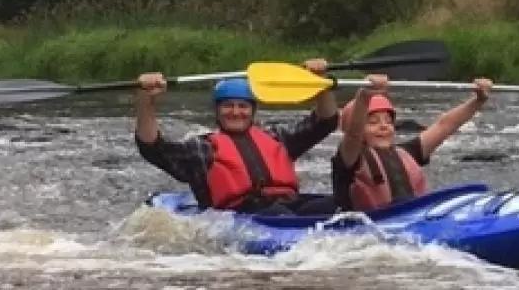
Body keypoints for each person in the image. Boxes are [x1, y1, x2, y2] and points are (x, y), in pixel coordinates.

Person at [136, 59, 339, 216]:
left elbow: (325, 121)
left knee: (336, 204)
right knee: (279, 214)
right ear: (217, 111)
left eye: (243, 106)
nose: (235, 112)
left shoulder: (276, 137)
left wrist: (320, 80)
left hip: (286, 205)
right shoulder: (202, 149)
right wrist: (147, 101)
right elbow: (152, 146)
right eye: (227, 105)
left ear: (252, 111)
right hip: (241, 215)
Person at [333, 73, 493, 212]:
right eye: (373, 122)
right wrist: (364, 97)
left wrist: (477, 101)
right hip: (365, 227)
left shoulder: (407, 152)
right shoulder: (350, 157)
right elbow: (353, 134)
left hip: (409, 218)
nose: (383, 126)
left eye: (388, 122)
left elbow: (444, 126)